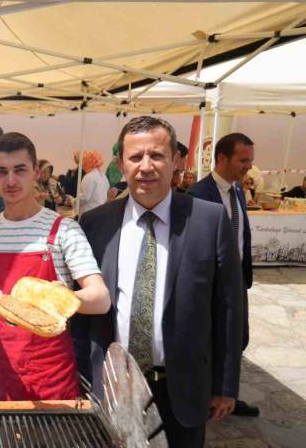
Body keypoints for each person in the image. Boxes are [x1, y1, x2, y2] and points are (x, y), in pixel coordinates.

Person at [79, 116, 244, 448]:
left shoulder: (208, 221)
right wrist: (83, 379)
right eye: (135, 157)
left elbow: (230, 308)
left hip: (183, 386)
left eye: (156, 155)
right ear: (120, 164)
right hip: (114, 385)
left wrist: (226, 384)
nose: (146, 166)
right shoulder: (95, 224)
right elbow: (80, 311)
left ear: (175, 161)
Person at [0, 132, 110, 401]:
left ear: (35, 172)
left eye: (19, 170)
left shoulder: (64, 229)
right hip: (0, 370)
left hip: (51, 374)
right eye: (2, 172)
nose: (11, 181)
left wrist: (61, 299)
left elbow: (100, 299)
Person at [187, 132, 258, 418]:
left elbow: (242, 235)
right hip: (213, 286)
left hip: (236, 280)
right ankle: (209, 396)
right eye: (243, 160)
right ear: (222, 158)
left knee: (237, 337)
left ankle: (228, 391)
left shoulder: (238, 190)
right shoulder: (198, 194)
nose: (248, 167)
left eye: (251, 161)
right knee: (213, 340)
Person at [76, 151, 109, 216]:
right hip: (100, 212)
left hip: (89, 213)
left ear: (87, 163)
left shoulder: (89, 177)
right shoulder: (103, 176)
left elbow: (84, 198)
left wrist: (72, 201)